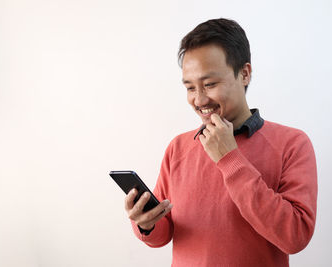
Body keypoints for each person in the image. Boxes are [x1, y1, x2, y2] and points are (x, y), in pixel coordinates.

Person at [124, 18, 317, 267]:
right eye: (190, 88)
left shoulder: (292, 144)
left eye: (210, 84)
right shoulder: (178, 147)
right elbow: (164, 233)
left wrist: (230, 159)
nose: (199, 99)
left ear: (244, 73)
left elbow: (295, 237)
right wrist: (146, 223)